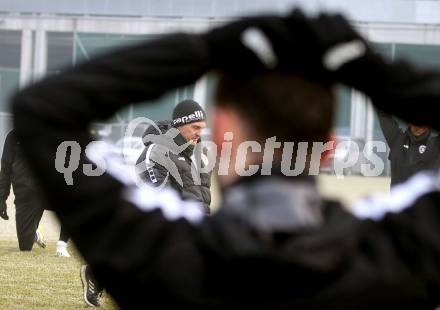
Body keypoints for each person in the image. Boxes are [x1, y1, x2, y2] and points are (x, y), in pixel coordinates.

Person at [11, 9, 440, 309]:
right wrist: (369, 68)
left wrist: (208, 48)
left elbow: (42, 112)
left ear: (222, 132)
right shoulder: (392, 257)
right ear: (328, 146)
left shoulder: (165, 258)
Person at [0, 129, 71, 256]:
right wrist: (2, 197)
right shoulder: (14, 135)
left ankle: (61, 246)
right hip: (27, 193)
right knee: (25, 247)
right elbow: (5, 167)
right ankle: (34, 234)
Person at [136, 99, 211, 213]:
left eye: (202, 128)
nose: (199, 133)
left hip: (200, 228)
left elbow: (203, 202)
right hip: (175, 227)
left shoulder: (202, 153)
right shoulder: (157, 152)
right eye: (195, 127)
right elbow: (160, 207)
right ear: (179, 125)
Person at [377, 110, 440, 187]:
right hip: (399, 198)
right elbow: (384, 116)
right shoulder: (397, 139)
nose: (417, 127)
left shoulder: (436, 144)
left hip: (426, 198)